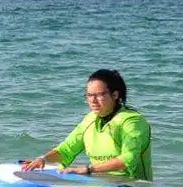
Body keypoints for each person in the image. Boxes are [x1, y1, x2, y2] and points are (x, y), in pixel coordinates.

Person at [22, 69, 152, 181]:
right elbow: (67, 149)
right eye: (89, 95)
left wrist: (88, 169)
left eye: (99, 95)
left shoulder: (132, 121)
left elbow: (127, 159)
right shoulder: (90, 119)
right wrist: (43, 159)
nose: (93, 100)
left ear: (115, 94)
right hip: (100, 183)